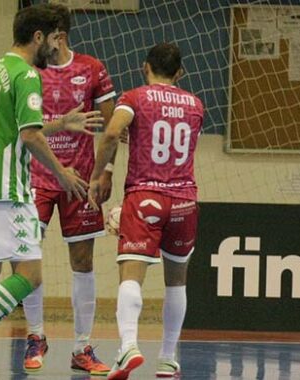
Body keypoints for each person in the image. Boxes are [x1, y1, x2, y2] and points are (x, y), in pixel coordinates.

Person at [0, 4, 103, 379]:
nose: (56, 49)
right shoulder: (27, 74)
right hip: (7, 188)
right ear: (39, 37)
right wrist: (61, 173)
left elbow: (17, 124)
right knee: (30, 274)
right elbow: (28, 136)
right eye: (54, 39)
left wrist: (60, 122)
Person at [88, 43, 204, 380]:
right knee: (176, 282)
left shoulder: (135, 97)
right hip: (184, 199)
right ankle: (167, 358)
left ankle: (128, 346)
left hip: (145, 196)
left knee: (131, 276)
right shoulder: (196, 105)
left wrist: (97, 175)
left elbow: (111, 131)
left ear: (145, 67)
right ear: (180, 72)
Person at [21, 4, 115, 375]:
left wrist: (105, 170)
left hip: (80, 181)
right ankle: (36, 335)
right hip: (37, 178)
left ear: (58, 34)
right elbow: (23, 129)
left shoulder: (91, 68)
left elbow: (112, 127)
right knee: (26, 258)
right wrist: (63, 125)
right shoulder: (29, 71)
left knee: (83, 261)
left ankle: (81, 348)